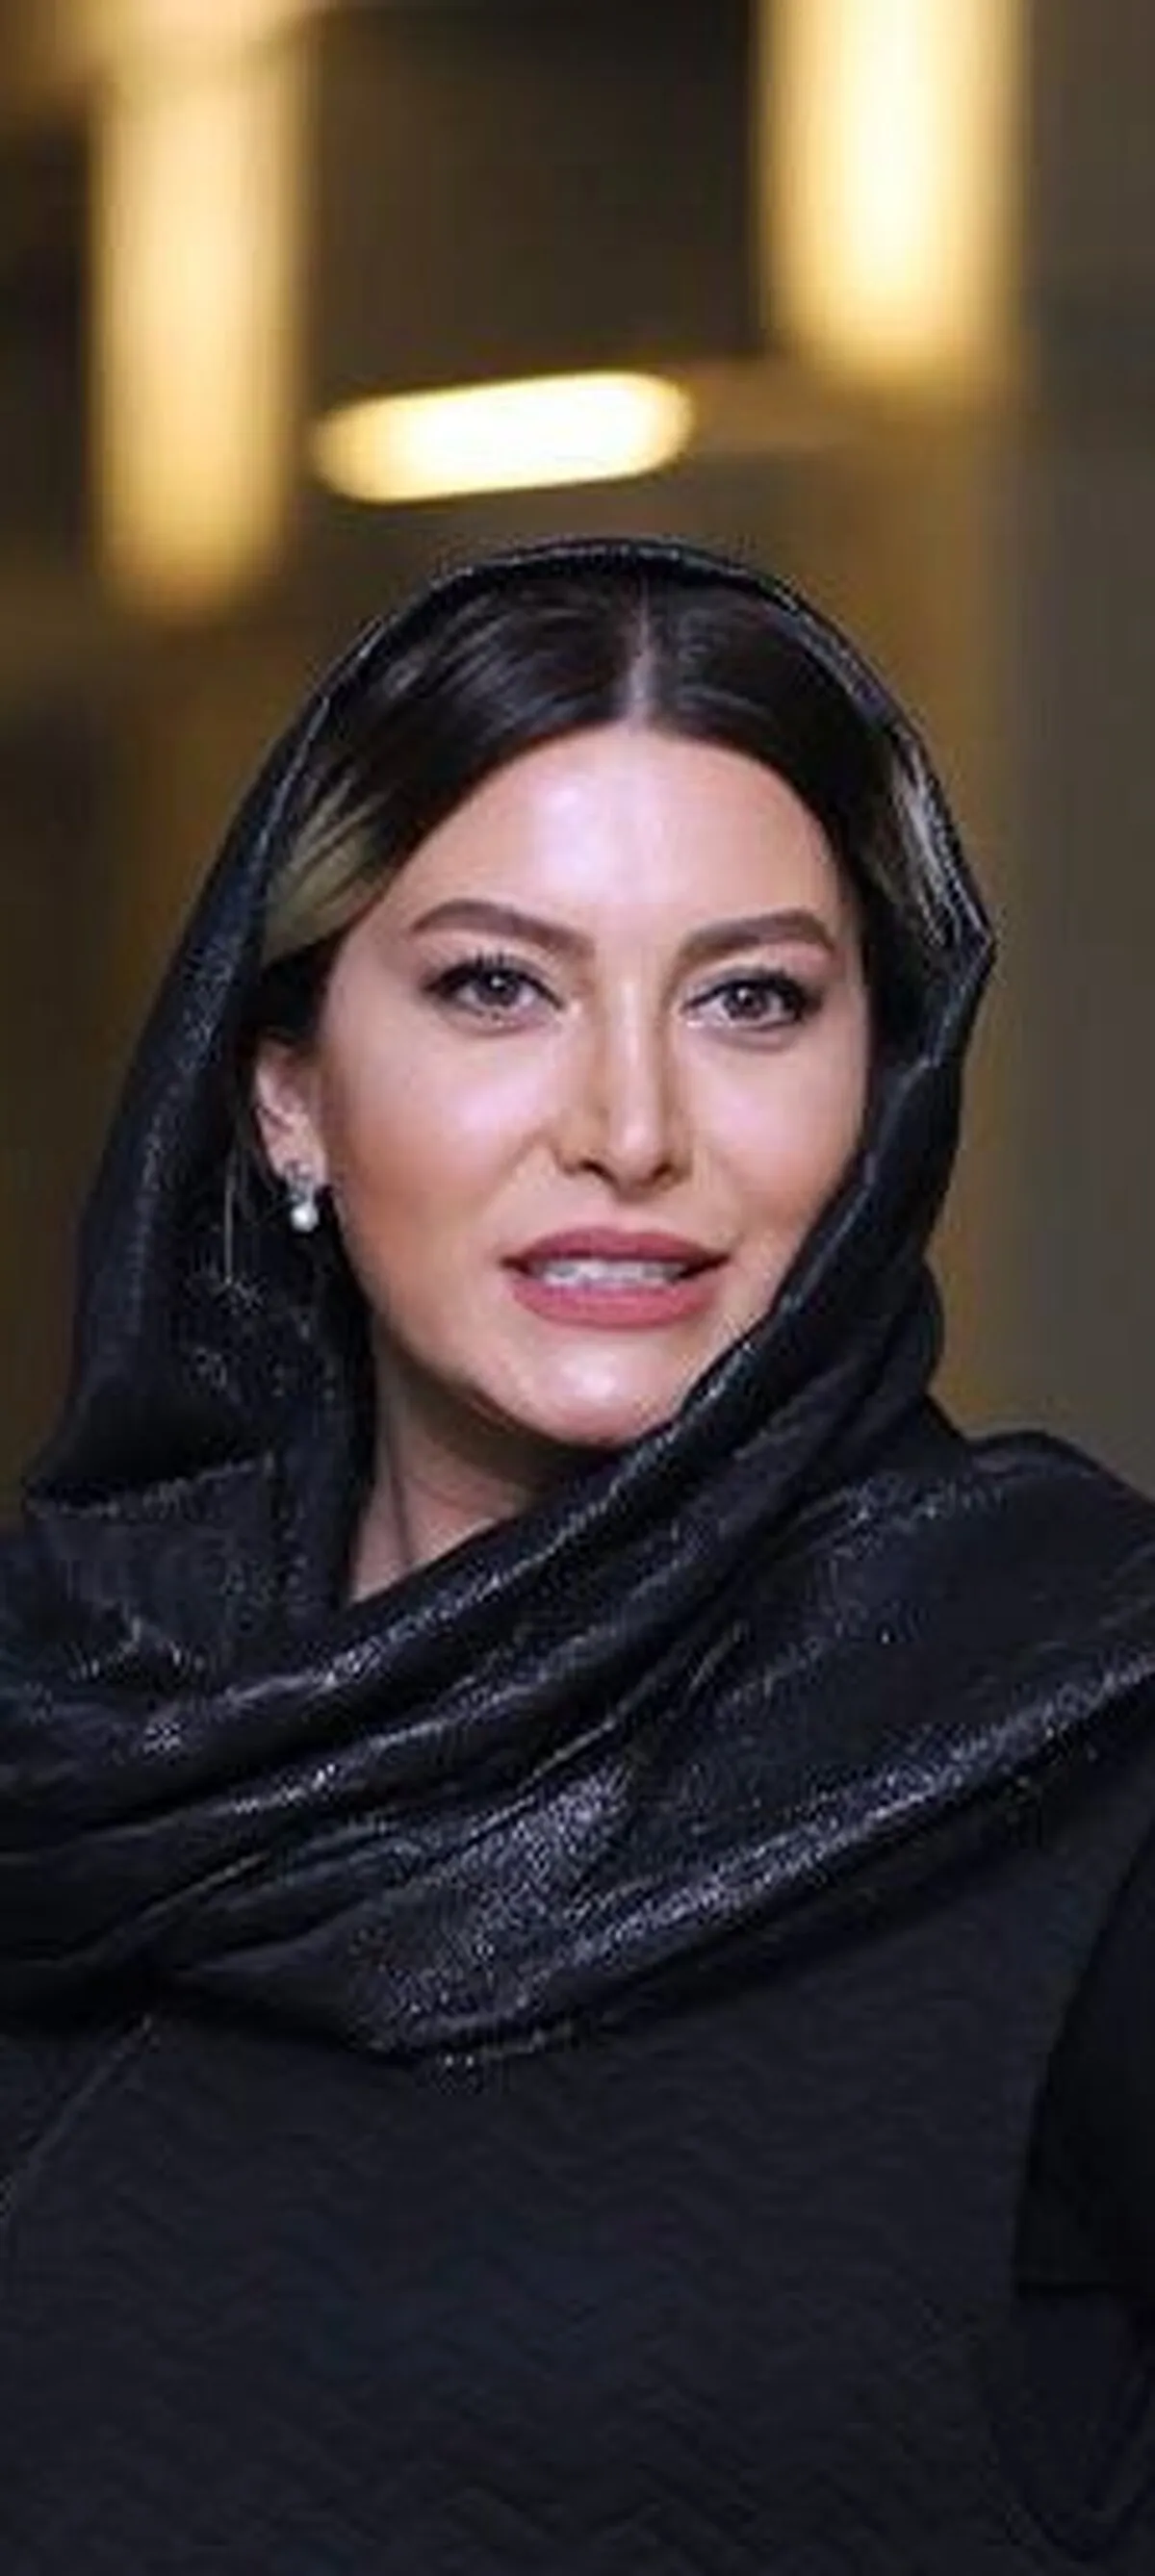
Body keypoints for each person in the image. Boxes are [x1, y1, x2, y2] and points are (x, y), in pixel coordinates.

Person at [0, 532, 1154, 2572]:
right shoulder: (71, 1738)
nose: (630, 1125)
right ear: (287, 1094)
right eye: (497, 987)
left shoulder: (1078, 1745)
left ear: (881, 1095)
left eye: (751, 1001)